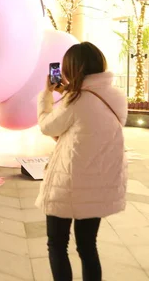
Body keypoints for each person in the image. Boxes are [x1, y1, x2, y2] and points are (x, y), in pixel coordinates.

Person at [36, 42, 127, 281]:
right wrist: (70, 92)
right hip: (98, 184)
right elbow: (88, 124)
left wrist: (47, 95)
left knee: (57, 245)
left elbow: (47, 126)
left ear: (72, 69)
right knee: (87, 247)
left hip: (67, 185)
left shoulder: (74, 100)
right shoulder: (117, 97)